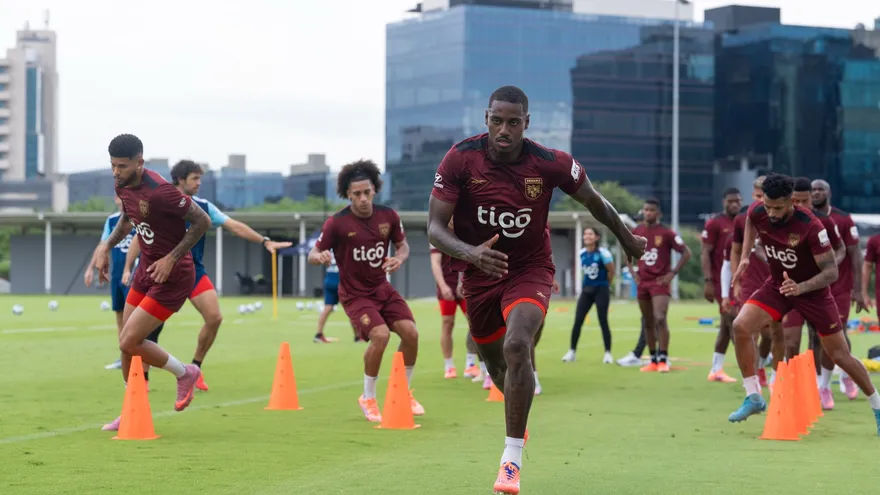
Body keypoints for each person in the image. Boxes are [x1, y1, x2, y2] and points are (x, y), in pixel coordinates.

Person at [427, 85, 645, 494]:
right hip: (479, 274)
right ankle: (517, 420)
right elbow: (435, 228)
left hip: (529, 268)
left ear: (527, 123)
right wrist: (472, 254)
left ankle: (510, 461)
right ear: (486, 119)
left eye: (513, 122)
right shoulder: (460, 158)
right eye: (497, 120)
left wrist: (626, 236)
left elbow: (594, 201)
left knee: (517, 346)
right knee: (496, 366)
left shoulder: (550, 163)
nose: (504, 129)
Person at [728, 173, 880, 434]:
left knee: (840, 355)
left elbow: (831, 272)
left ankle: (877, 405)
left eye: (778, 208)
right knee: (741, 326)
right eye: (768, 206)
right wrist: (745, 255)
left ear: (792, 202)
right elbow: (750, 221)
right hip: (778, 286)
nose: (772, 213)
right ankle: (753, 396)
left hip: (814, 292)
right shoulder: (758, 210)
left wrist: (801, 287)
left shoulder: (811, 226)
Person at [124, 160, 291, 391]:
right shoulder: (159, 199)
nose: (199, 183)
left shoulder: (203, 206)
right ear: (180, 179)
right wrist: (128, 266)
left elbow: (234, 225)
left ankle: (196, 368)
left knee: (214, 318)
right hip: (158, 274)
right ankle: (141, 383)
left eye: (200, 178)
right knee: (145, 331)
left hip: (191, 273)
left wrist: (264, 241)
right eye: (194, 178)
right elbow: (138, 235)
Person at [93, 134, 210, 431]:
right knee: (125, 346)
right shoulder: (122, 184)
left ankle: (186, 372)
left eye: (121, 166)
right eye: (112, 166)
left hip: (173, 275)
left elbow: (202, 222)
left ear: (139, 163)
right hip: (146, 270)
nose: (115, 172)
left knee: (129, 340)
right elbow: (127, 218)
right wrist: (106, 247)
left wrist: (171, 257)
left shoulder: (162, 192)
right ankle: (133, 407)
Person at [308, 159, 424, 423]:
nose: (362, 198)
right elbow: (313, 254)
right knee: (380, 336)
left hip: (382, 289)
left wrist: (400, 258)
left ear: (375, 190)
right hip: (355, 294)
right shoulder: (336, 223)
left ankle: (404, 392)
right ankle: (368, 397)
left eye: (366, 192)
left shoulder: (389, 216)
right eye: (356, 194)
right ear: (348, 195)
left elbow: (403, 246)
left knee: (411, 333)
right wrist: (320, 256)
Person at [812, 179, 867, 402]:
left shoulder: (843, 219)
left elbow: (855, 254)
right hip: (813, 288)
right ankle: (818, 382)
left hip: (840, 287)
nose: (816, 193)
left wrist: (858, 290)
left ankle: (842, 376)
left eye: (820, 189)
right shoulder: (804, 219)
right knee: (815, 337)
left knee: (838, 332)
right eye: (813, 190)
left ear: (829, 192)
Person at [630, 199, 691, 373]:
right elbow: (627, 251)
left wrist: (672, 274)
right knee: (647, 321)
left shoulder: (666, 233)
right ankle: (653, 359)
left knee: (660, 318)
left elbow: (686, 253)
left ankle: (664, 358)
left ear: (658, 214)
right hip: (643, 282)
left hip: (659, 282)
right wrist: (632, 272)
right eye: (646, 210)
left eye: (652, 210)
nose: (648, 213)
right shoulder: (637, 231)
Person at [701, 188, 742, 381]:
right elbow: (705, 253)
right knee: (733, 322)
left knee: (726, 327)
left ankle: (716, 369)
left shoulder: (744, 222)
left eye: (737, 201)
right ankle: (749, 371)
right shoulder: (715, 223)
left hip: (742, 282)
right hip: (721, 283)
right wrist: (708, 281)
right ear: (724, 202)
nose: (734, 204)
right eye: (730, 201)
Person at [562, 227, 615, 364]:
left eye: (590, 234)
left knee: (603, 320)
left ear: (596, 237)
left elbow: (611, 271)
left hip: (601, 289)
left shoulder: (604, 254)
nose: (587, 236)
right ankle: (572, 351)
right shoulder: (582, 253)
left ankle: (608, 353)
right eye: (585, 234)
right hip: (587, 290)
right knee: (578, 320)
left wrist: (606, 285)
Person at [314, 249, 341, 343]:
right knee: (351, 308)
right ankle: (358, 336)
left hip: (329, 280)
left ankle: (318, 334)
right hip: (341, 281)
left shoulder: (329, 248)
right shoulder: (344, 245)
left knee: (327, 308)